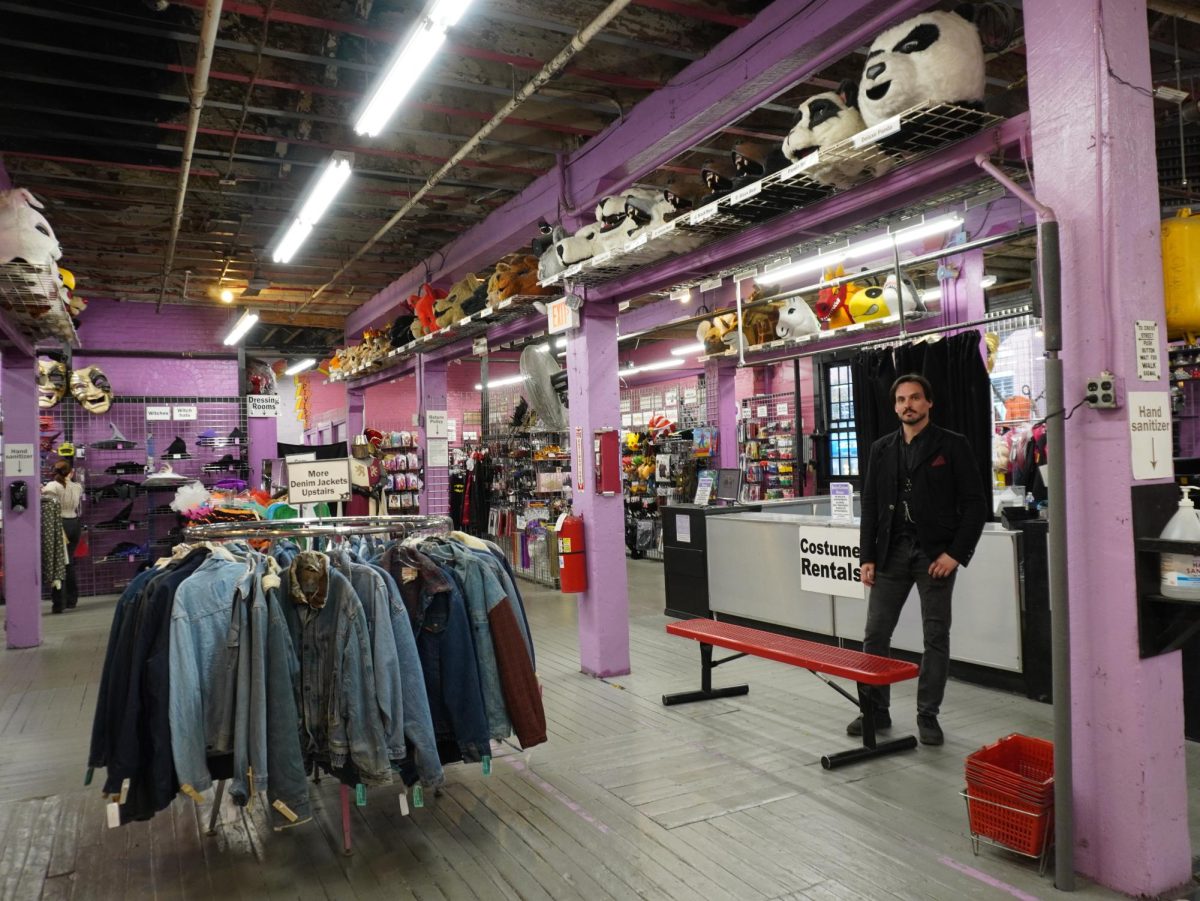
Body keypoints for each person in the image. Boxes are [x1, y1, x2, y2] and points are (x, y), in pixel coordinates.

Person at [852, 374, 986, 746]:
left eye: (914, 398)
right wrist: (868, 555)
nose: (906, 405)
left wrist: (955, 554)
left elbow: (975, 505)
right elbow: (872, 506)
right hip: (891, 552)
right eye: (900, 399)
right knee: (875, 634)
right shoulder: (882, 448)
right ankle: (875, 711)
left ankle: (928, 715)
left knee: (935, 636)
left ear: (929, 403)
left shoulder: (953, 445)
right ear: (894, 406)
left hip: (935, 556)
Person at [43, 460, 83, 613]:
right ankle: (71, 600)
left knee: (58, 564)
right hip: (74, 524)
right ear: (71, 472)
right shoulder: (77, 487)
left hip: (59, 525)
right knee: (69, 563)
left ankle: (60, 602)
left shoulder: (52, 487)